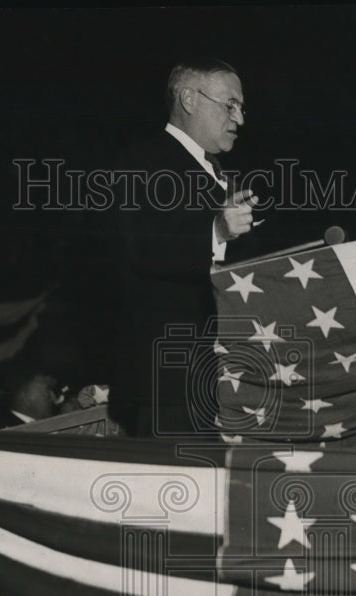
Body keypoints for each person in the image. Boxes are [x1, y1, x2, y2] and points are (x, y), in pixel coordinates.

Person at [110, 58, 257, 439]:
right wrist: (216, 232)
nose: (239, 119)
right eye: (230, 104)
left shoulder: (223, 174)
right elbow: (140, 246)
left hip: (218, 375)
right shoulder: (140, 161)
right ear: (189, 99)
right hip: (167, 377)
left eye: (242, 107)